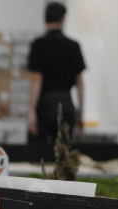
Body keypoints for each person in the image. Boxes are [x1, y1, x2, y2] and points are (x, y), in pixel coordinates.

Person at [26, 2, 86, 145]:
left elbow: (36, 79)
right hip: (66, 103)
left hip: (44, 105)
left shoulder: (38, 44)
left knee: (39, 152)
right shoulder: (73, 46)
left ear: (45, 18)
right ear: (63, 19)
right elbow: (80, 84)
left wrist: (31, 110)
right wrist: (81, 113)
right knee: (63, 153)